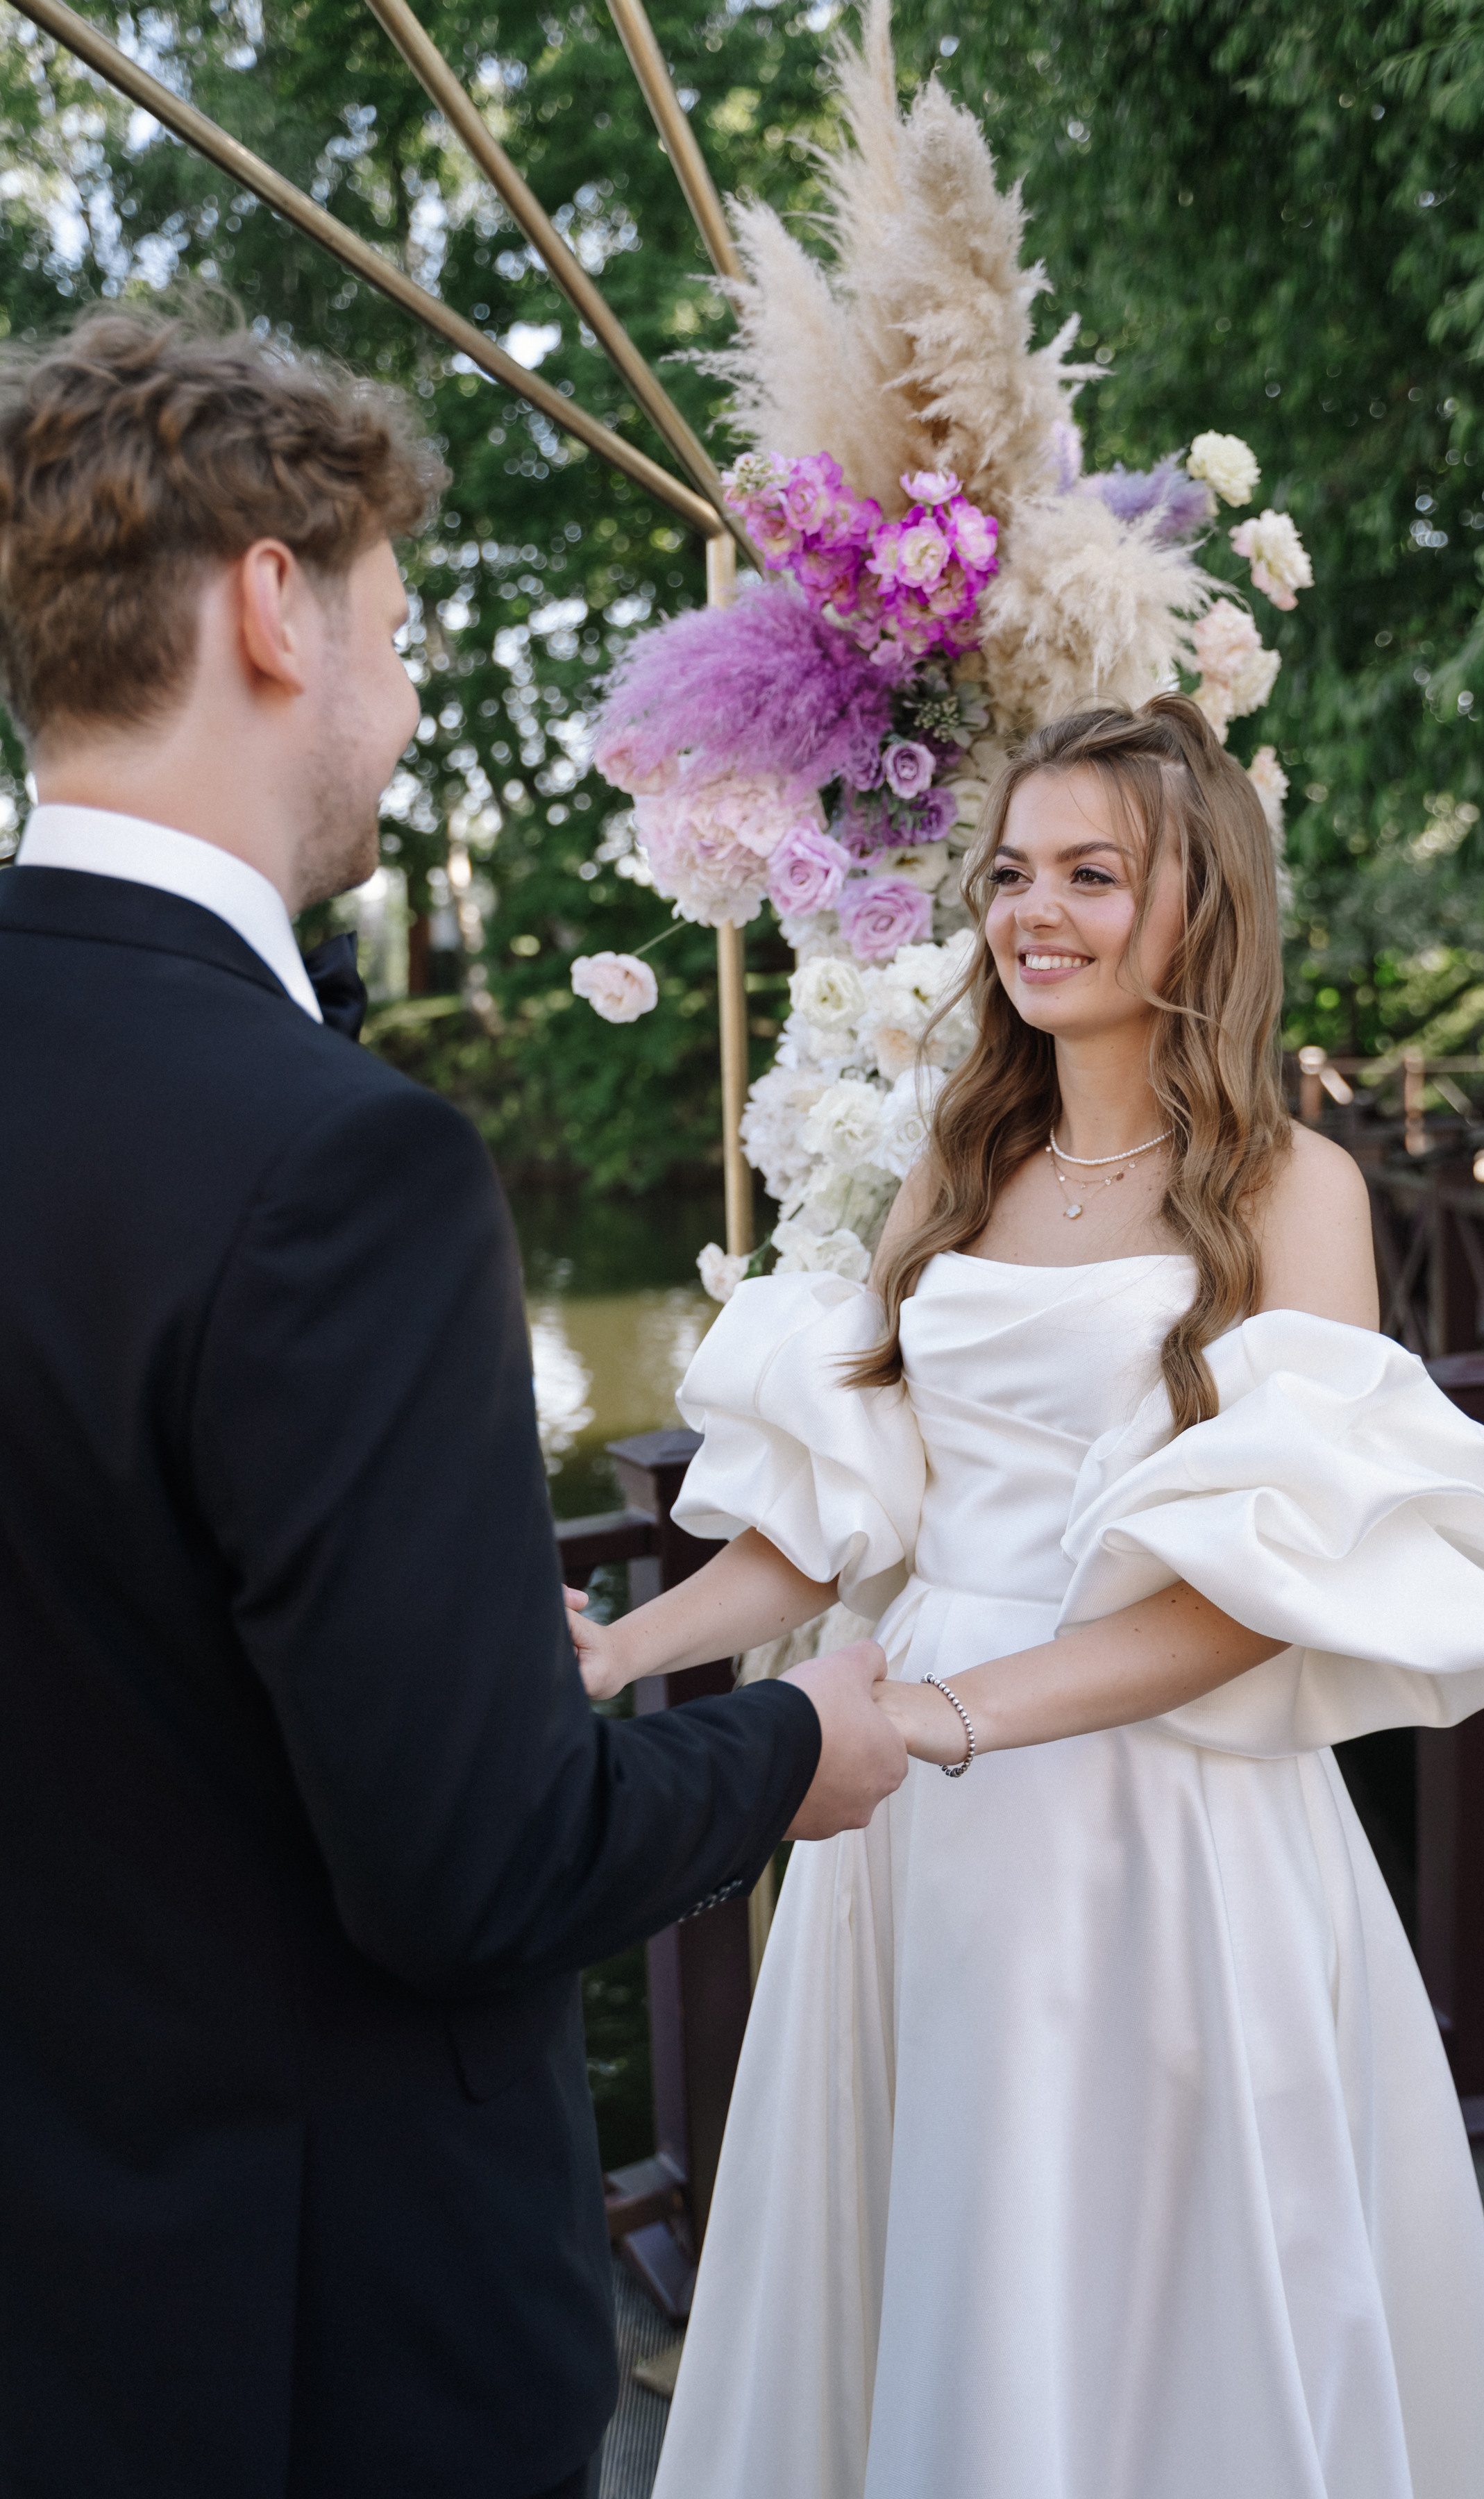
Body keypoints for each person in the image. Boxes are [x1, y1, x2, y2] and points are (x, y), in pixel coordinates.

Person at [0, 305, 907, 2499]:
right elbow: (476, 1865)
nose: (405, 719)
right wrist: (800, 1744)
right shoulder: (338, 1166)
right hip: (308, 2357)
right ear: (271, 606)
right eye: (399, 642)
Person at [568, 700, 1484, 2499]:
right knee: (938, 2233)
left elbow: (1272, 1591)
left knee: (1150, 2269)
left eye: (1093, 873)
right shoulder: (959, 1171)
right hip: (916, 1817)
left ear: (1202, 905)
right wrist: (624, 1646)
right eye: (1014, 871)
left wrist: (948, 1716)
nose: (1037, 910)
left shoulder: (1290, 1191)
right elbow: (846, 1513)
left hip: (1164, 1807)